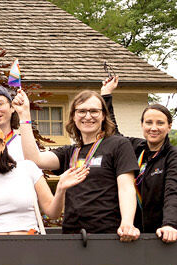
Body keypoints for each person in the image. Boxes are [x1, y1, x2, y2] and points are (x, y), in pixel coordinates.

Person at [23, 76, 140, 241]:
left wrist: (127, 222)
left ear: (103, 115)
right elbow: (34, 159)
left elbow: (126, 188)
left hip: (109, 237)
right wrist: (24, 116)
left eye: (94, 111)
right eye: (82, 111)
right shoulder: (70, 152)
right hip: (73, 237)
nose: (88, 116)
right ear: (73, 116)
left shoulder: (119, 145)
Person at [0, 124, 64, 236]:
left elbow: (53, 213)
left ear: (2, 145)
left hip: (27, 247)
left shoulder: (28, 168)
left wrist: (61, 189)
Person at [127, 102, 177, 243]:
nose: (154, 128)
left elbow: (174, 191)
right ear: (142, 125)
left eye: (160, 123)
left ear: (169, 127)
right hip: (134, 234)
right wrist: (107, 95)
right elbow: (114, 134)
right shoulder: (136, 148)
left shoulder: (174, 155)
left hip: (163, 235)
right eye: (149, 122)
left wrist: (170, 224)